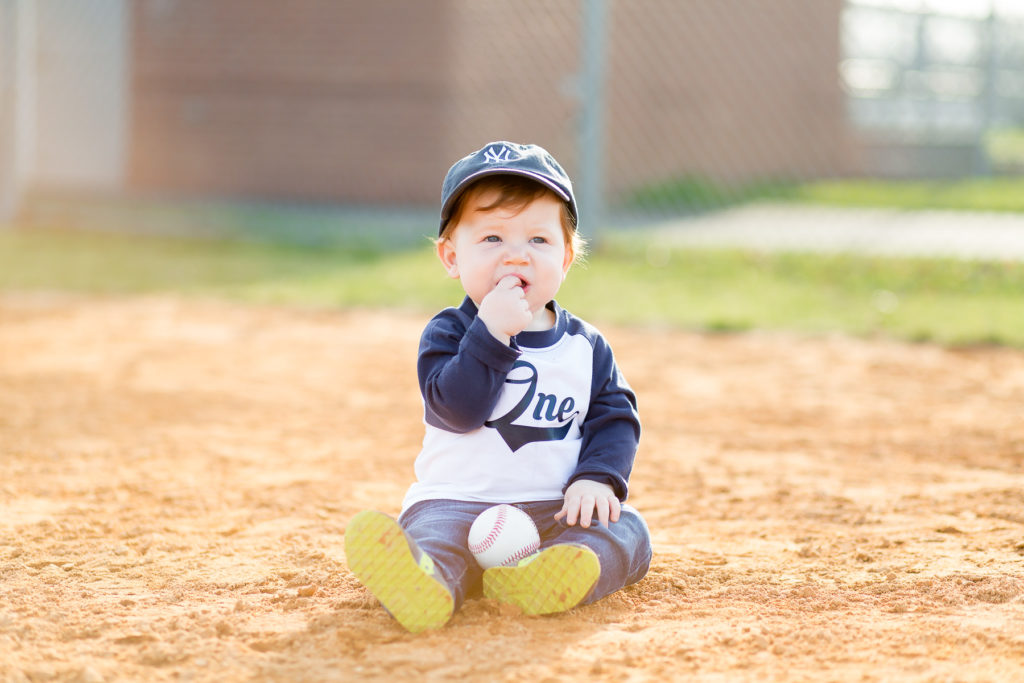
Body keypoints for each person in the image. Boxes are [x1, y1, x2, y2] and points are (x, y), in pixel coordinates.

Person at [344, 141, 652, 633]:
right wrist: (490, 333)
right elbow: (459, 410)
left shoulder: (585, 347)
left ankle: (540, 580)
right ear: (450, 256)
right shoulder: (447, 333)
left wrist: (597, 477)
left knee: (628, 531)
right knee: (432, 539)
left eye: (538, 240)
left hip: (555, 509)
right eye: (491, 239)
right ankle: (425, 584)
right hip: (454, 501)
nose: (516, 257)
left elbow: (615, 418)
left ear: (567, 257)